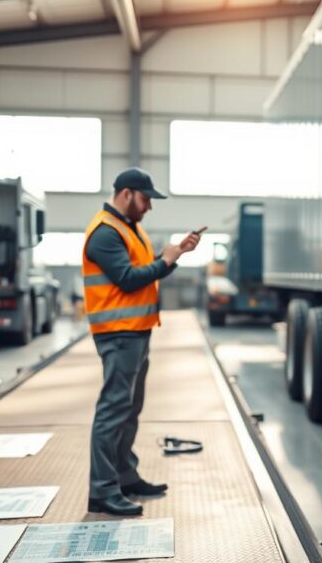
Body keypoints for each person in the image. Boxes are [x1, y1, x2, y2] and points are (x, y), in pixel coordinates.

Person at [83, 167, 201, 516]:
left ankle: (123, 475)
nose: (148, 206)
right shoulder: (105, 233)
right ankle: (102, 491)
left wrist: (175, 254)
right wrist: (166, 261)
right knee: (113, 410)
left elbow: (142, 269)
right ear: (126, 194)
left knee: (129, 409)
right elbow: (128, 279)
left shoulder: (130, 229)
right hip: (118, 333)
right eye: (145, 199)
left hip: (135, 331)